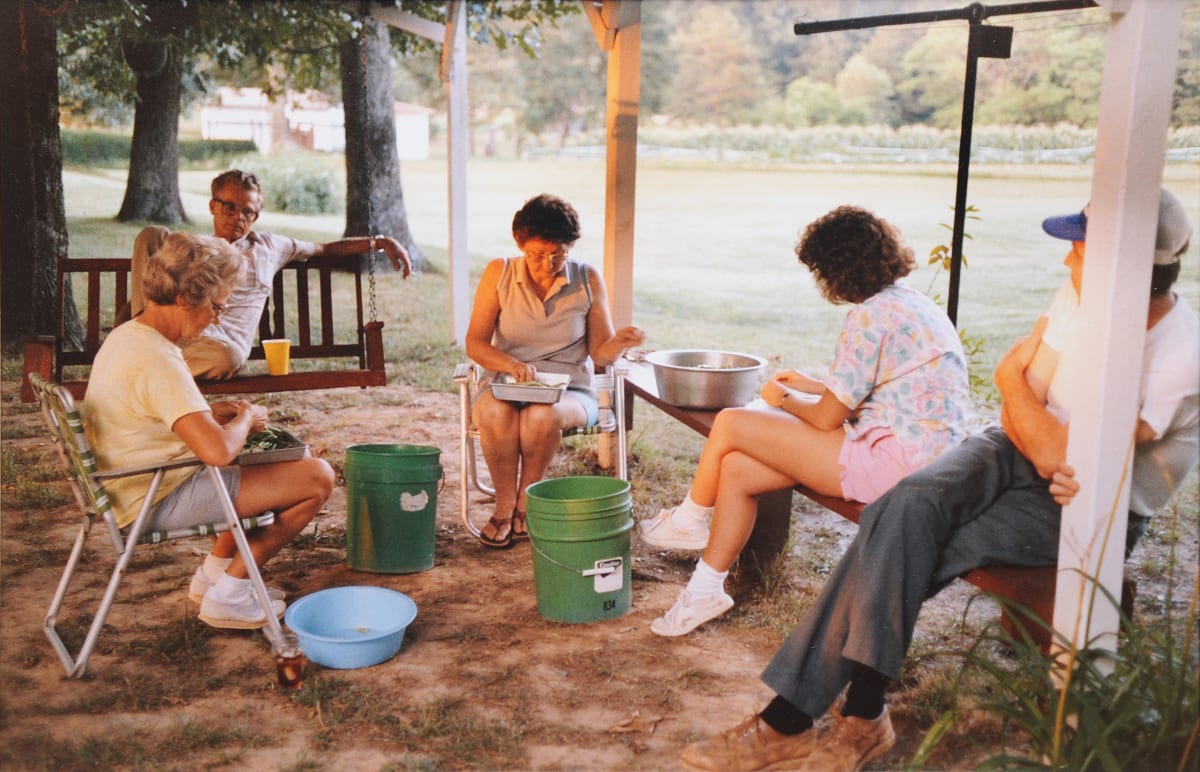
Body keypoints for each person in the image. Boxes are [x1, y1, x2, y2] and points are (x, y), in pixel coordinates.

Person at [677, 189, 1198, 772]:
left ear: (1120, 267)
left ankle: (810, 721)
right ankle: (844, 721)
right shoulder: (1080, 298)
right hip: (1015, 451)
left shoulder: (1179, 352)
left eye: (1078, 248)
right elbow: (1024, 423)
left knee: (901, 532)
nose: (1066, 260)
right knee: (907, 505)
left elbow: (1051, 442)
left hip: (1092, 504)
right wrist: (1016, 393)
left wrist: (1015, 384)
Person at [639, 206, 976, 637]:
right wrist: (815, 384)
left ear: (836, 270)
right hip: (931, 457)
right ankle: (705, 590)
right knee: (737, 469)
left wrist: (784, 397)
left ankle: (689, 519)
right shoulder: (910, 303)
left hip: (899, 466)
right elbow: (882, 389)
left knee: (732, 423)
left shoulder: (869, 315)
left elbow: (828, 417)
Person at [84, 232, 336, 630]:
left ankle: (213, 578)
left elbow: (153, 412)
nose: (218, 318)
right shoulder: (159, 360)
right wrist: (246, 419)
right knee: (317, 477)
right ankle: (231, 595)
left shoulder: (130, 336)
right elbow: (219, 453)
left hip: (129, 485)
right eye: (217, 306)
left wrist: (210, 412)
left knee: (293, 463)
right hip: (152, 498)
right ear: (186, 299)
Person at [465, 193, 646, 548]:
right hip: (506, 383)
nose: (547, 264)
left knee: (540, 417)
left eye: (558, 254)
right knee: (494, 412)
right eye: (536, 254)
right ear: (521, 244)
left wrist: (621, 341)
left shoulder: (587, 277)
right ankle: (503, 506)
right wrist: (511, 364)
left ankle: (525, 504)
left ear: (570, 247)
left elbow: (600, 353)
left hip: (571, 392)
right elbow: (475, 343)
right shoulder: (498, 272)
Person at [127, 169, 413, 379]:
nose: (238, 216)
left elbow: (324, 249)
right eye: (229, 207)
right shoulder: (194, 248)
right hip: (180, 335)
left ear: (256, 218)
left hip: (218, 349)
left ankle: (143, 362)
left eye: (248, 212)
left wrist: (381, 242)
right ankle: (141, 335)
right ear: (214, 205)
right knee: (154, 235)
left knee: (227, 357)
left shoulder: (270, 247)